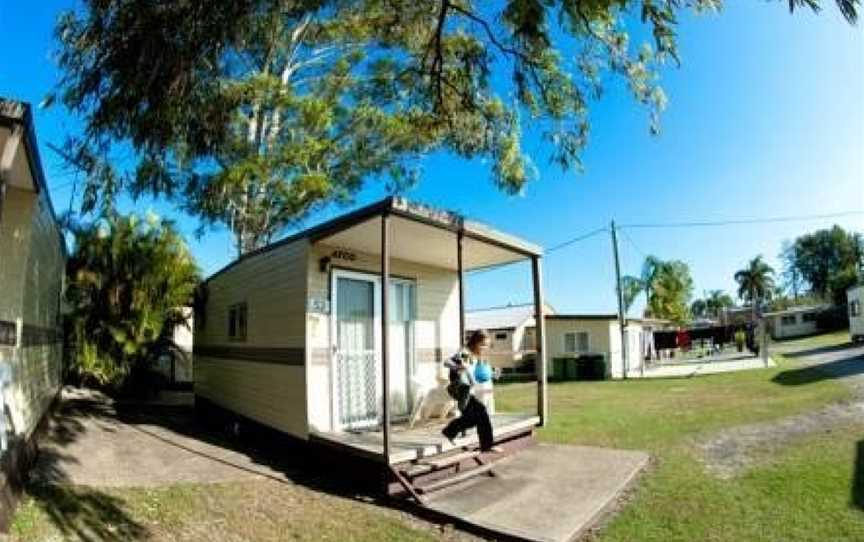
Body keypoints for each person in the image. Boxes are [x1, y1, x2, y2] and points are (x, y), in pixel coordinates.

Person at [441, 330, 499, 452]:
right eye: (482, 344)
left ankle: (450, 431)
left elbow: (476, 375)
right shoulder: (465, 353)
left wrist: (492, 374)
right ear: (475, 342)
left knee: (474, 418)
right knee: (481, 412)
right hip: (460, 389)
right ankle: (486, 446)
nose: (484, 348)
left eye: (486, 345)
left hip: (467, 390)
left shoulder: (474, 355)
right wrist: (458, 367)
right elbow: (446, 362)